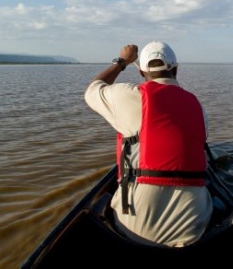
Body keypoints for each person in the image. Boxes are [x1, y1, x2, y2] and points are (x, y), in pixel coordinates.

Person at [84, 41, 212, 248]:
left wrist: (121, 62)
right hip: (195, 228)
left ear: (142, 73)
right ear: (176, 68)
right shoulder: (197, 106)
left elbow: (92, 90)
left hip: (136, 230)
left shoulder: (129, 95)